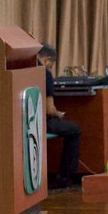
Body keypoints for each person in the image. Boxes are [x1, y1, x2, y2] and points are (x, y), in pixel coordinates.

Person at [38, 44, 83, 188]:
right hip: (43, 122)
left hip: (25, 122)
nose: (51, 67)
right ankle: (66, 176)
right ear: (47, 59)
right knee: (75, 130)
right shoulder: (44, 74)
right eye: (52, 64)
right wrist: (60, 114)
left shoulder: (25, 69)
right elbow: (49, 110)